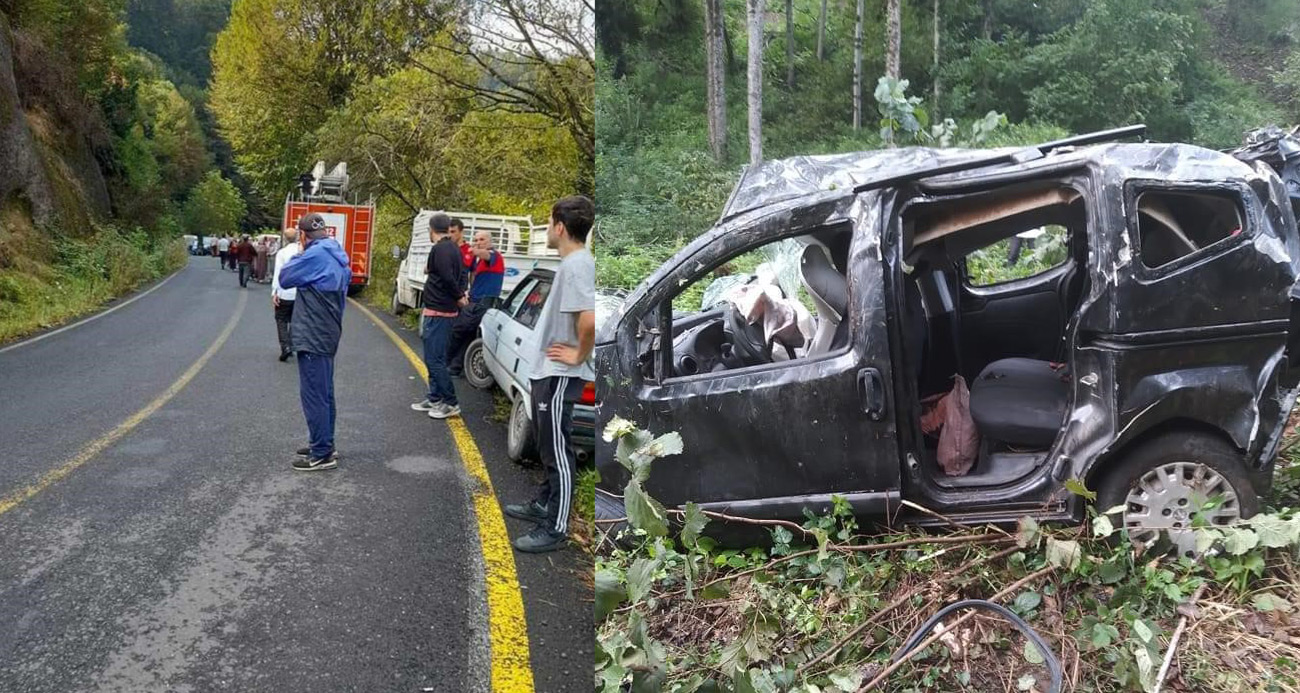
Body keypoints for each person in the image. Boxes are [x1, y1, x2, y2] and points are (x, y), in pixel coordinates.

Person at [503, 195, 595, 554]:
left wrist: (578, 354)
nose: (545, 228)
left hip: (559, 375)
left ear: (560, 227)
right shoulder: (572, 264)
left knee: (558, 450)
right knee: (547, 445)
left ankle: (556, 528)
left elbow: (587, 319)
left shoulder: (577, 266)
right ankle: (544, 503)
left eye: (547, 222)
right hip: (549, 373)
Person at [278, 213, 352, 471]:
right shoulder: (336, 253)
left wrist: (299, 253)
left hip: (313, 331)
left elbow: (285, 278)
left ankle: (321, 452)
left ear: (302, 235)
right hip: (329, 329)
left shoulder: (313, 255)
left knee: (313, 394)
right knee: (325, 392)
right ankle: (324, 442)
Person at [410, 213, 467, 420]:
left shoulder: (441, 249)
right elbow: (459, 275)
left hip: (440, 312)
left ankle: (451, 402)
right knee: (433, 357)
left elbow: (447, 276)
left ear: (431, 230)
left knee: (435, 360)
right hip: (440, 310)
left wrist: (459, 296)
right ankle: (434, 397)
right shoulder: (453, 248)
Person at [447, 229, 506, 376]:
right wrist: (468, 292)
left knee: (457, 331)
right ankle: (455, 367)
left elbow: (484, 254)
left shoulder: (494, 256)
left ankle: (445, 363)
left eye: (482, 240)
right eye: (476, 240)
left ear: (490, 241)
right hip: (477, 301)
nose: (478, 243)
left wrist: (470, 249)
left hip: (480, 305)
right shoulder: (481, 261)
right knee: (467, 336)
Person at [271, 228, 302, 362]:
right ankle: (292, 344)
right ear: (298, 237)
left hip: (285, 292)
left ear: (284, 238)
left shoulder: (282, 253)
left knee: (281, 320)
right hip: (300, 292)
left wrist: (275, 292)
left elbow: (278, 274)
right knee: (295, 320)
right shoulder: (303, 252)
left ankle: (285, 347)